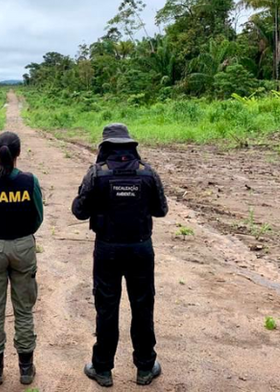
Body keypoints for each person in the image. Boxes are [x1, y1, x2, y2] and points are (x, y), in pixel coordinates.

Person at [72, 123, 168, 387]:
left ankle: (102, 369)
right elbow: (161, 210)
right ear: (130, 145)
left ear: (105, 146)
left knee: (106, 308)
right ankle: (145, 367)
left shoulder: (96, 173)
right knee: (143, 306)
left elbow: (79, 211)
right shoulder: (147, 173)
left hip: (108, 250)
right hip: (140, 248)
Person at [0, 131, 44, 386]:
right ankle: (26, 369)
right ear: (18, 153)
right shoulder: (30, 181)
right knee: (24, 309)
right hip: (23, 246)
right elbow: (38, 217)